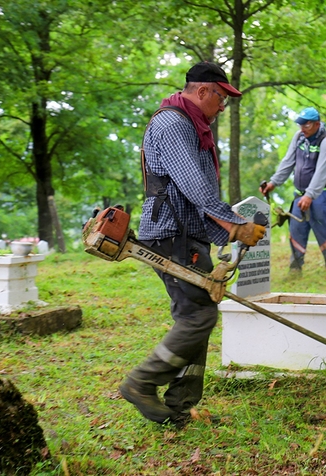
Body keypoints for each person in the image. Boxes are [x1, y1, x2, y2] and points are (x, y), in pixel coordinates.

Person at [119, 61, 266, 425]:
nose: (222, 107)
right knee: (199, 315)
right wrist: (235, 227)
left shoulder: (190, 125)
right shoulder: (172, 124)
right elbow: (193, 186)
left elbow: (194, 195)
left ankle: (177, 409)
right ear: (203, 91)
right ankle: (141, 382)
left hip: (185, 234)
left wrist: (227, 232)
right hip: (171, 235)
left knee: (195, 314)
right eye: (221, 98)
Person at [259, 107, 326, 272]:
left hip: (321, 195)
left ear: (317, 124)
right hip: (300, 195)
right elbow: (288, 161)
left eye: (307, 125)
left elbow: (322, 173)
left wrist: (310, 195)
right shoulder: (299, 137)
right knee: (296, 230)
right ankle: (295, 269)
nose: (302, 128)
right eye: (300, 124)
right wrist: (273, 183)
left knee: (323, 230)